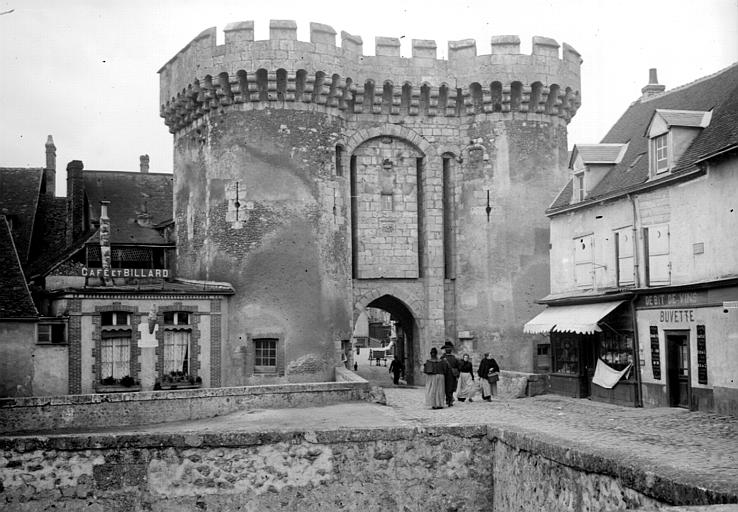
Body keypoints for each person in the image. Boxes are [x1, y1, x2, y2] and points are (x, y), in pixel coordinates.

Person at [440, 341, 459, 407]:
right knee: (450, 388)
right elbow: (458, 366)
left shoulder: (442, 358)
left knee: (446, 388)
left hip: (445, 375)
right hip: (452, 375)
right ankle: (449, 400)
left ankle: (449, 400)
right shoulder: (454, 358)